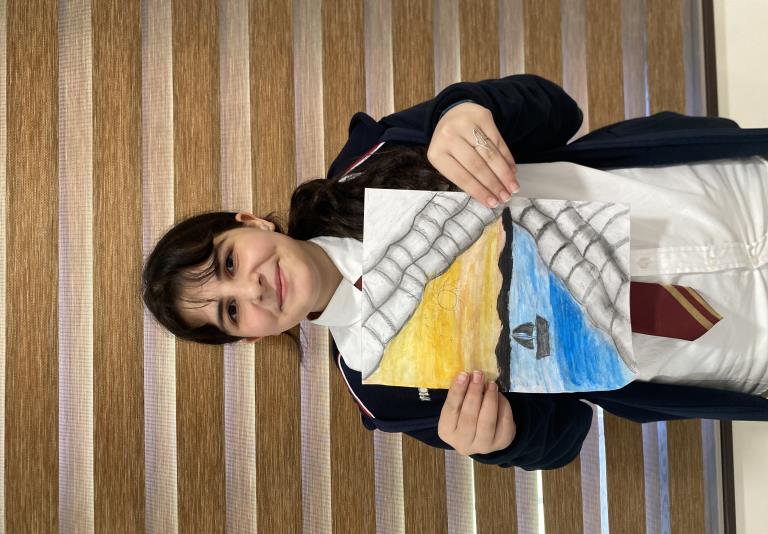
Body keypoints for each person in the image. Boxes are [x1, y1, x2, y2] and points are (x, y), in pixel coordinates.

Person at [143, 74, 768, 470]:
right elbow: (564, 432)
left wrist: (466, 108)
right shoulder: (384, 393)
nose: (251, 288)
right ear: (249, 338)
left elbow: (556, 109)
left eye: (229, 261)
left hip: (720, 198)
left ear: (251, 222)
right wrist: (503, 442)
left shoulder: (371, 160)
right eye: (231, 311)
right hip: (734, 347)